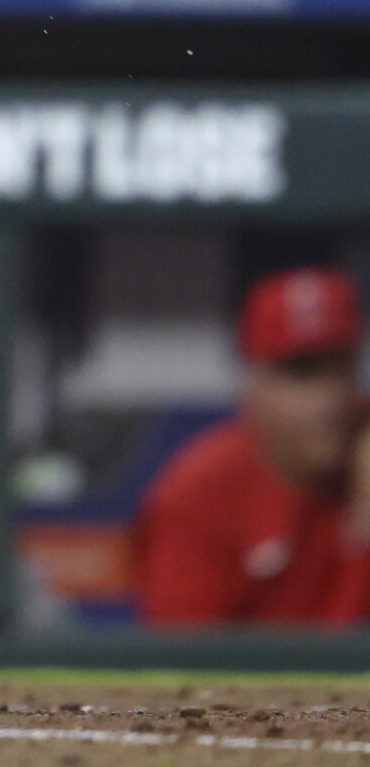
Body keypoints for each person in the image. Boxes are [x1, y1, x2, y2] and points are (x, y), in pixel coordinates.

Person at [134, 268, 370, 625]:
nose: (329, 399)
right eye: (301, 375)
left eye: (340, 370)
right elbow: (182, 667)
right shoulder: (200, 493)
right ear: (251, 387)